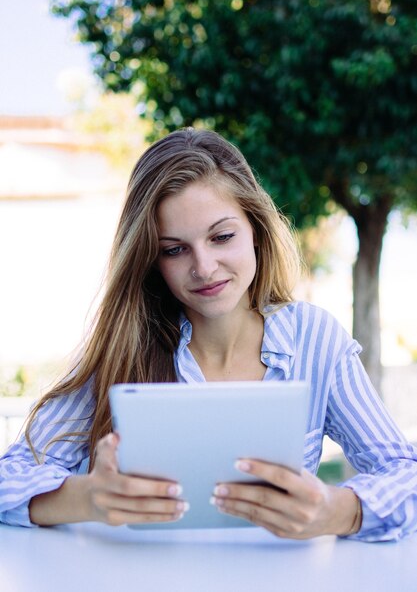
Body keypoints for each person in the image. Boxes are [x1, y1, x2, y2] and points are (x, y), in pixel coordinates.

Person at [0, 128, 416, 541]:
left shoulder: (314, 338)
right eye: (174, 249)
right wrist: (87, 499)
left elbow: (404, 473)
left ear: (255, 230)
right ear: (151, 259)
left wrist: (337, 511)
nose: (204, 267)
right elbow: (8, 478)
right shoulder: (122, 347)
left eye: (222, 237)